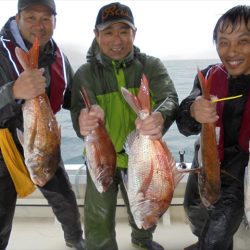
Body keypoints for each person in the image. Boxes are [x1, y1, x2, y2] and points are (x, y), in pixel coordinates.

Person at [70, 2, 178, 250]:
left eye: (123, 31)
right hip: (102, 160)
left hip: (140, 157)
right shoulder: (85, 74)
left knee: (145, 207)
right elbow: (78, 110)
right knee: (98, 220)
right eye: (108, 32)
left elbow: (169, 98)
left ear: (134, 33)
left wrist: (160, 117)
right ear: (96, 35)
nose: (116, 40)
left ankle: (142, 240)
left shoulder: (150, 65)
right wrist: (82, 120)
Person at [0, 0, 85, 249]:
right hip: (3, 145)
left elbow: (73, 99)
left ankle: (76, 241)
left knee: (65, 199)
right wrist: (13, 91)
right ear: (17, 19)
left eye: (46, 19)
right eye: (31, 17)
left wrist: (89, 112)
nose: (40, 25)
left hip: (42, 141)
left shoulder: (59, 57)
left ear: (55, 22)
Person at [176, 5, 250, 250]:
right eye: (224, 42)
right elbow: (184, 125)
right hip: (205, 163)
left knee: (217, 234)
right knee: (193, 210)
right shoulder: (208, 75)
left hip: (240, 173)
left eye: (243, 41)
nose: (232, 51)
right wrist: (192, 109)